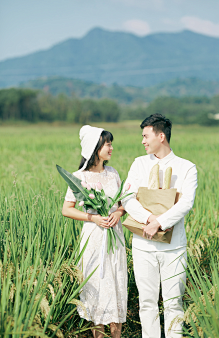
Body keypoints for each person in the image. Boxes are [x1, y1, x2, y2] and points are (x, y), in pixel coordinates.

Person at [122, 114, 198, 338]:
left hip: (173, 248)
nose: (143, 141)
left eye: (146, 136)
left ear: (161, 136)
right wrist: (148, 220)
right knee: (147, 303)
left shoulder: (186, 168)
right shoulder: (139, 164)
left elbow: (186, 203)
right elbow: (127, 197)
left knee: (174, 303)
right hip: (143, 245)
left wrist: (161, 222)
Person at [62, 125, 127, 338]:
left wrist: (118, 213)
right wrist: (94, 218)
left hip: (114, 236)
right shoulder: (79, 177)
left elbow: (122, 203)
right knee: (96, 286)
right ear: (94, 147)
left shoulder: (113, 173)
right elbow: (67, 209)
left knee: (116, 284)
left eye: (110, 143)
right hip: (94, 237)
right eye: (107, 143)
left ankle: (116, 335)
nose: (111, 147)